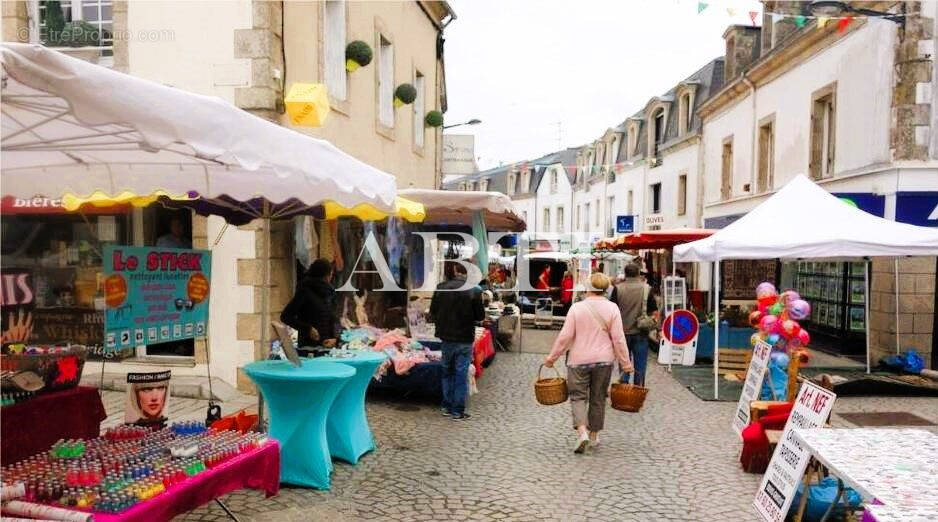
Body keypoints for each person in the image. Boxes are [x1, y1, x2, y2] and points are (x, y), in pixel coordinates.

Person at [545, 272, 632, 453]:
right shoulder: (612, 308)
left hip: (578, 360)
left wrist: (552, 357)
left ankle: (582, 432)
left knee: (577, 397)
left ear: (588, 289)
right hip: (604, 360)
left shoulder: (577, 308)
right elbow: (618, 338)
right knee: (598, 398)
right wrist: (625, 362)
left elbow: (565, 337)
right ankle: (593, 436)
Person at [430, 262, 484, 420]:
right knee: (460, 373)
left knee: (447, 371)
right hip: (465, 338)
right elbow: (480, 316)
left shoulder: (441, 287)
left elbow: (433, 312)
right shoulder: (474, 290)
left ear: (454, 271)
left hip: (446, 337)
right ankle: (457, 410)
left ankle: (446, 405)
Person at [610, 263, 657, 387]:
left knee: (624, 361)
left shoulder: (618, 288)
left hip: (622, 331)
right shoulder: (647, 288)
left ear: (625, 274)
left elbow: (611, 309)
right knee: (640, 362)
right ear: (638, 273)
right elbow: (653, 310)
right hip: (641, 331)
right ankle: (638, 388)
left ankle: (624, 385)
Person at [281, 259, 339, 356]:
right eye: (330, 274)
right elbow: (286, 316)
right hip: (308, 350)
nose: (330, 278)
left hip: (327, 351)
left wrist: (335, 339)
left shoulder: (330, 293)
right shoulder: (304, 291)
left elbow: (334, 319)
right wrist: (307, 329)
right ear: (326, 276)